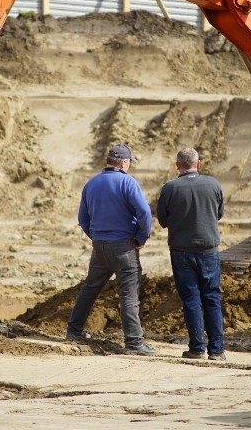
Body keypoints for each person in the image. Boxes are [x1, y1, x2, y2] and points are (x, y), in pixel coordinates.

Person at [67, 143, 156, 356]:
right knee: (129, 294)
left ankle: (74, 331)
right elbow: (144, 212)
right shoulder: (128, 182)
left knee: (90, 288)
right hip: (124, 246)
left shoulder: (91, 183)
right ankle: (134, 342)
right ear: (124, 163)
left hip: (100, 246)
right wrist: (142, 237)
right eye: (129, 163)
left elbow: (82, 218)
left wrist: (95, 236)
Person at [156, 147, 225, 361]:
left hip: (182, 251)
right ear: (199, 163)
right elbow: (219, 214)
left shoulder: (170, 188)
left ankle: (197, 348)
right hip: (208, 251)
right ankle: (217, 350)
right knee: (212, 298)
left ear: (178, 166)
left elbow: (163, 220)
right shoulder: (213, 184)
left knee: (191, 300)